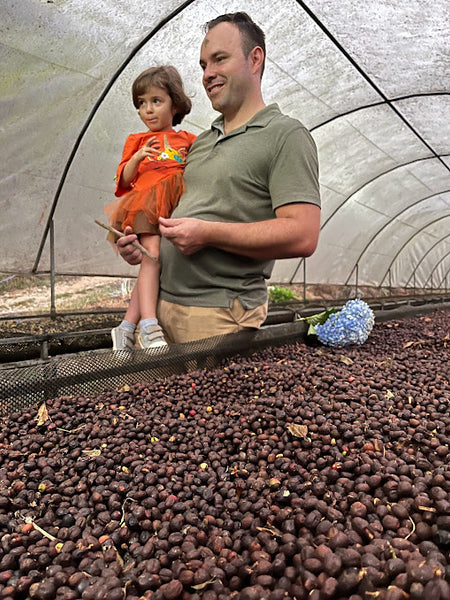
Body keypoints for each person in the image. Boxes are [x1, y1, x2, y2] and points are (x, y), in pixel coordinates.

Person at [117, 12, 321, 344]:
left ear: (255, 59)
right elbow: (175, 214)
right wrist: (143, 250)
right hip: (157, 312)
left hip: (217, 315)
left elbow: (303, 235)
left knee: (207, 396)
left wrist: (208, 234)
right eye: (202, 66)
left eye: (219, 60)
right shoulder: (199, 143)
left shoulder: (285, 135)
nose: (208, 74)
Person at [104, 66, 196, 350]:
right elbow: (123, 179)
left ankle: (125, 327)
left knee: (155, 262)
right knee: (152, 256)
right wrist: (139, 157)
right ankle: (149, 324)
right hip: (145, 203)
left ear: (175, 102)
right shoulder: (137, 141)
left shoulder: (189, 141)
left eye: (156, 101)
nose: (148, 110)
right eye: (141, 104)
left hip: (175, 206)